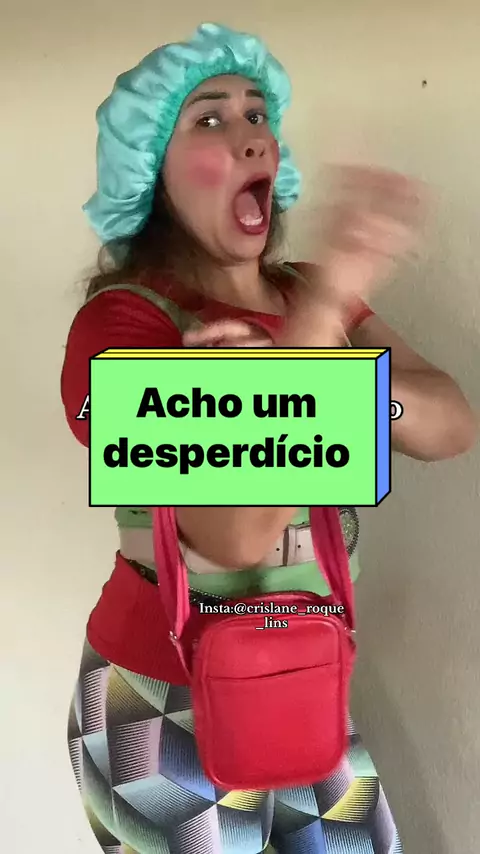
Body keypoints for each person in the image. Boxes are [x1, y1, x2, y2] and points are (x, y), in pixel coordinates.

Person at [61, 22, 476, 854]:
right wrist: (320, 338)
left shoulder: (307, 292)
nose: (251, 133)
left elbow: (448, 423)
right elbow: (235, 530)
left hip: (304, 677)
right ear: (151, 171)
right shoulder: (121, 328)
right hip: (158, 708)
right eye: (210, 119)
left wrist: (297, 379)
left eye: (257, 113)